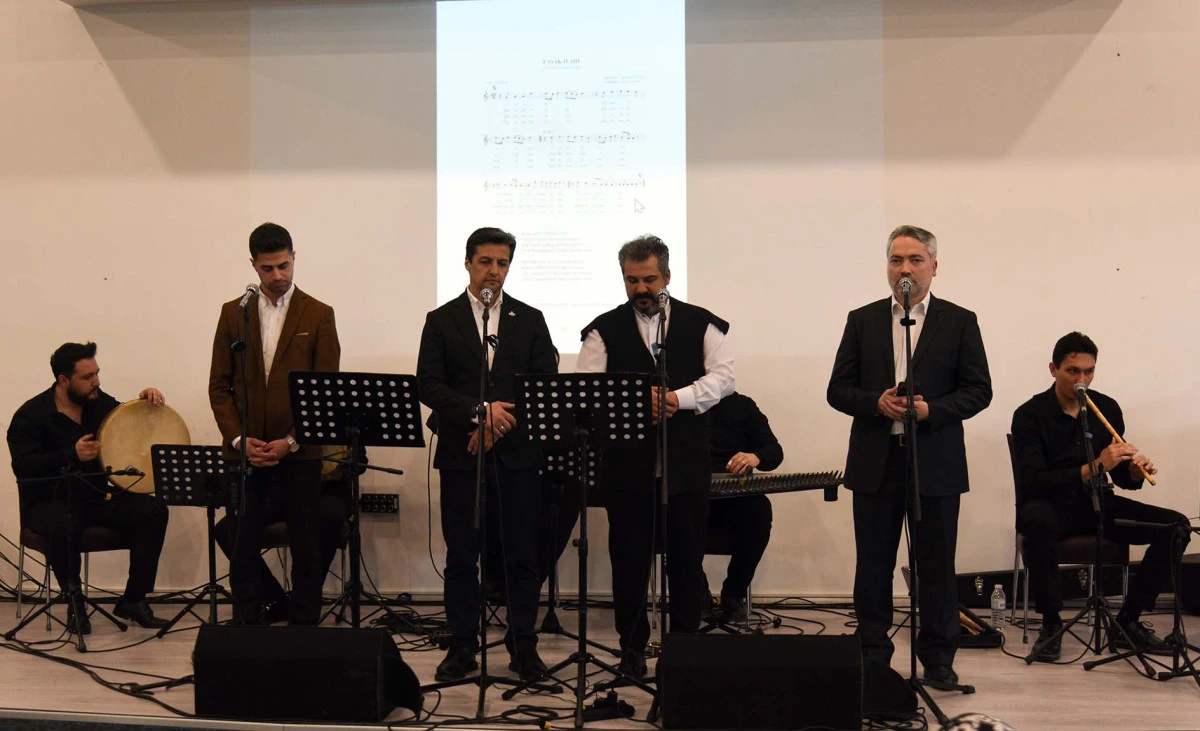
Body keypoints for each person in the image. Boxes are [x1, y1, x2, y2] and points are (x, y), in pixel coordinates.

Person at [826, 225, 992, 688]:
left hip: (934, 462)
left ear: (934, 267)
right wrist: (875, 403)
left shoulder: (960, 320)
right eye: (896, 259)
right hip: (876, 462)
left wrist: (931, 411)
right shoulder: (862, 320)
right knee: (872, 565)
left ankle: (938, 658)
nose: (905, 268)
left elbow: (979, 390)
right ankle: (873, 655)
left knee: (936, 566)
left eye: (915, 260)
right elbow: (838, 389)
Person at [577, 234, 735, 679]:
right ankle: (631, 649)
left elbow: (724, 378)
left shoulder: (703, 323)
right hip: (626, 468)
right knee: (628, 562)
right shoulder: (602, 328)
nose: (640, 288)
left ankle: (683, 648)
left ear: (666, 276)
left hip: (686, 466)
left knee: (686, 561)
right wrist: (634, 403)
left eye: (648, 279)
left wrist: (677, 399)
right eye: (632, 280)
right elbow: (587, 390)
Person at [417, 227, 558, 682]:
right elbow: (428, 384)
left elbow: (544, 384)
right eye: (485, 262)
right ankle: (462, 647)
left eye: (502, 263)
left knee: (522, 556)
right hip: (462, 455)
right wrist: (479, 412)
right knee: (462, 556)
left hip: (517, 457)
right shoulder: (442, 319)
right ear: (467, 263)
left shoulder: (530, 319)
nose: (494, 271)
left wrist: (498, 424)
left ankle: (523, 647)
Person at [1010, 331, 1189, 661]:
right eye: (1072, 371)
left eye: (1089, 371)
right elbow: (1034, 482)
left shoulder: (1105, 408)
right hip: (1051, 505)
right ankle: (1051, 624)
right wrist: (1095, 466)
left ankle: (1127, 622)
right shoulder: (1029, 414)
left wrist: (1133, 472)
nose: (1082, 380)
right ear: (1053, 369)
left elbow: (1119, 478)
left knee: (1176, 526)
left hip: (1096, 503)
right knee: (1035, 522)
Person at [208, 222, 340, 626]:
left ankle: (303, 626)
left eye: (284, 265)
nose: (278, 275)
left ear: (294, 258)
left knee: (307, 545)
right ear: (253, 265)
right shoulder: (234, 312)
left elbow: (325, 390)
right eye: (268, 268)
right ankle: (249, 624)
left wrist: (291, 441)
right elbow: (219, 385)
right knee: (242, 544)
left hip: (299, 453)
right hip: (246, 453)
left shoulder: (318, 313)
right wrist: (238, 438)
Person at [7, 342, 171, 632]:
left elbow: (127, 421)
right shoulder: (31, 415)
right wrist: (71, 454)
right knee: (63, 523)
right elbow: (23, 467)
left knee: (154, 509)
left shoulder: (98, 402)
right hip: (50, 502)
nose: (96, 381)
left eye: (97, 373)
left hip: (94, 496)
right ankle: (75, 604)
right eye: (87, 377)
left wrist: (145, 401)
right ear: (63, 380)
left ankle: (134, 599)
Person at [212, 458, 350, 624]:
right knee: (227, 529)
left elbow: (358, 464)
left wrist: (335, 474)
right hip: (278, 493)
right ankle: (275, 599)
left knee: (325, 522)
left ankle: (305, 604)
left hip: (325, 493)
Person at [704, 391, 783, 621]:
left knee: (759, 511)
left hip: (734, 499)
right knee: (675, 513)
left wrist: (755, 457)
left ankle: (733, 594)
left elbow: (774, 451)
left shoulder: (742, 405)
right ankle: (696, 594)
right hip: (691, 494)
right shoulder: (679, 404)